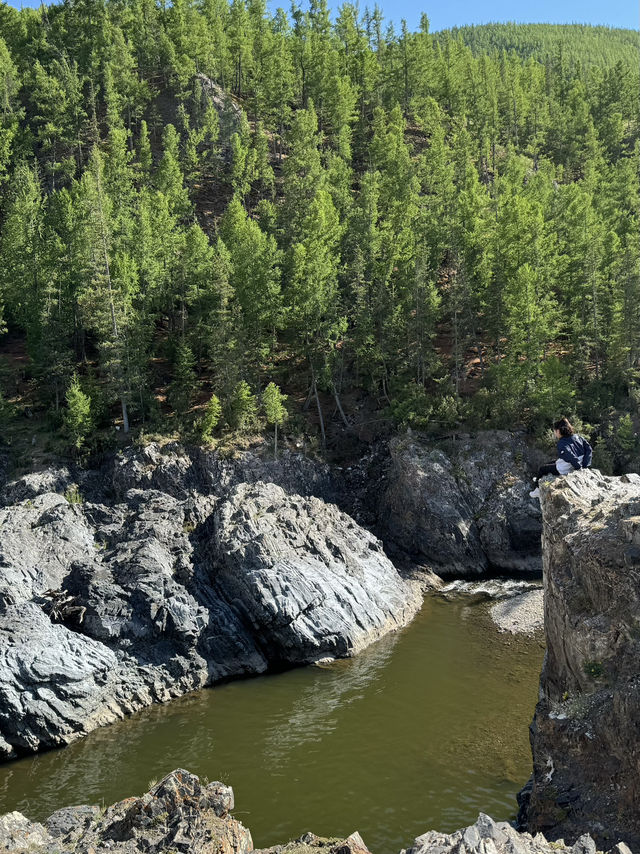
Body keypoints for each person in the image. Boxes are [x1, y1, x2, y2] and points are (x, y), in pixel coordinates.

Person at [529, 417, 593, 498]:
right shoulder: (578, 437)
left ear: (558, 431)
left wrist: (579, 468)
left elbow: (570, 456)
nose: (555, 434)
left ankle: (538, 490)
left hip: (566, 468)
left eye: (555, 431)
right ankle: (538, 479)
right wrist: (585, 465)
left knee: (542, 469)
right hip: (577, 463)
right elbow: (589, 449)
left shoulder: (562, 443)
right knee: (549, 463)